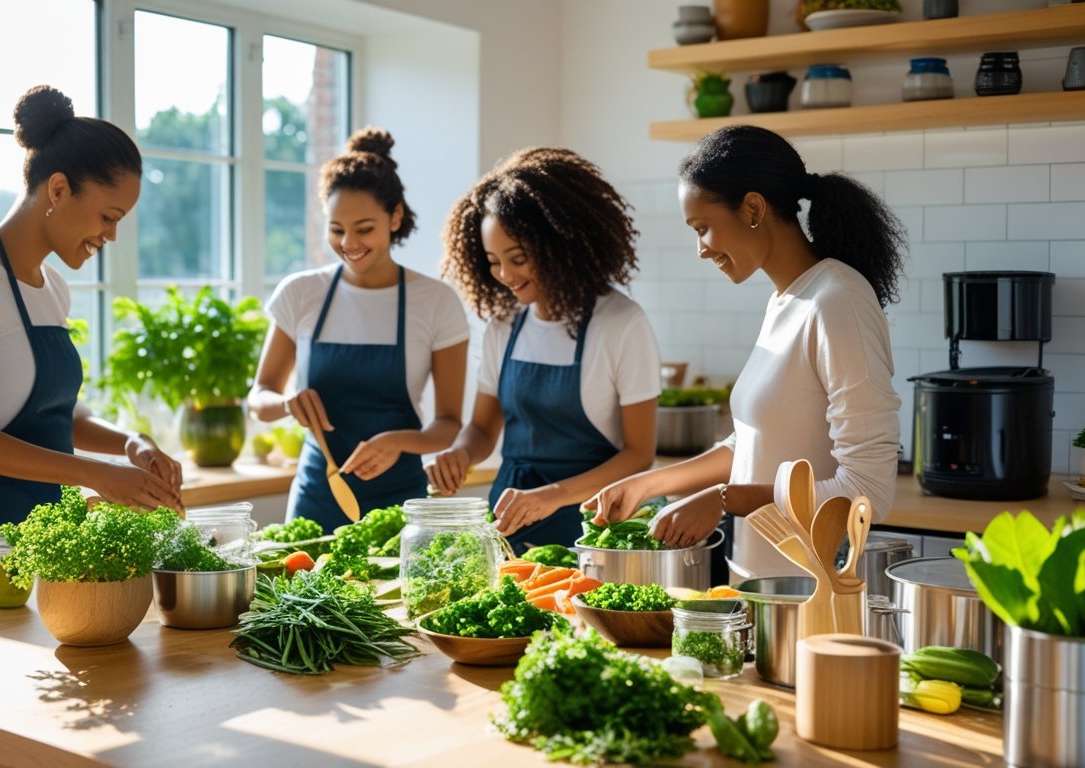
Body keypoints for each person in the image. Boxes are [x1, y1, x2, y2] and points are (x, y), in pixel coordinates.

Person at [585, 124, 904, 581]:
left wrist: (723, 500)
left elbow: (866, 488)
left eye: (703, 228)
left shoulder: (837, 300)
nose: (700, 249)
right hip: (759, 584)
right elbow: (752, 444)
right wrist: (649, 484)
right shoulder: (787, 300)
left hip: (813, 592)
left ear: (753, 208)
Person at [0, 85, 184, 588]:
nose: (112, 235)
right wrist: (96, 474)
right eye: (109, 217)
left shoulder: (51, 286)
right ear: (58, 190)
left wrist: (130, 444)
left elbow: (56, 415)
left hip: (57, 549)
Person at [428, 147, 660, 551]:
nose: (505, 275)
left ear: (559, 244)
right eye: (493, 261)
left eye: (517, 258)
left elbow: (638, 455)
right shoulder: (503, 326)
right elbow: (482, 429)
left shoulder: (622, 323)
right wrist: (460, 455)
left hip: (596, 528)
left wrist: (550, 496)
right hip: (510, 522)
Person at [248, 127, 469, 531]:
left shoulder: (436, 301)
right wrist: (287, 403)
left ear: (395, 217)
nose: (349, 242)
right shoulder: (301, 293)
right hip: (318, 493)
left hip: (402, 504)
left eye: (364, 228)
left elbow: (449, 423)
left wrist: (398, 441)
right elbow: (258, 398)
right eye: (336, 229)